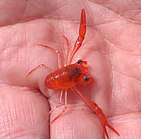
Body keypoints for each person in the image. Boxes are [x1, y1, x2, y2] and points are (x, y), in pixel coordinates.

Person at [0, 0, 140, 138]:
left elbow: (75, 41)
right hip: (51, 81)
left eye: (80, 66)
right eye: (79, 63)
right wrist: (86, 80)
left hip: (55, 79)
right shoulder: (74, 80)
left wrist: (83, 77)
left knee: (92, 107)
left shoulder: (70, 65)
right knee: (91, 108)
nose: (82, 66)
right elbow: (83, 77)